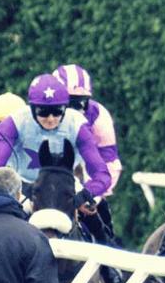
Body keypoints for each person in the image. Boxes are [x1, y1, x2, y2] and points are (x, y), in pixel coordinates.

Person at [0, 74, 112, 211]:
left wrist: (83, 196)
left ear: (65, 108)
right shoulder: (13, 123)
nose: (50, 119)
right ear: (32, 108)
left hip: (66, 187)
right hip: (23, 187)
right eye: (43, 112)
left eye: (57, 111)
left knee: (97, 213)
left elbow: (102, 175)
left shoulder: (78, 124)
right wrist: (18, 191)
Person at [53, 64, 123, 246]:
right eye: (69, 103)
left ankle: (108, 257)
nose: (76, 110)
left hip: (84, 181)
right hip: (47, 182)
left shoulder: (98, 115)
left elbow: (110, 163)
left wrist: (92, 197)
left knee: (100, 223)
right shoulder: (40, 116)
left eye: (81, 102)